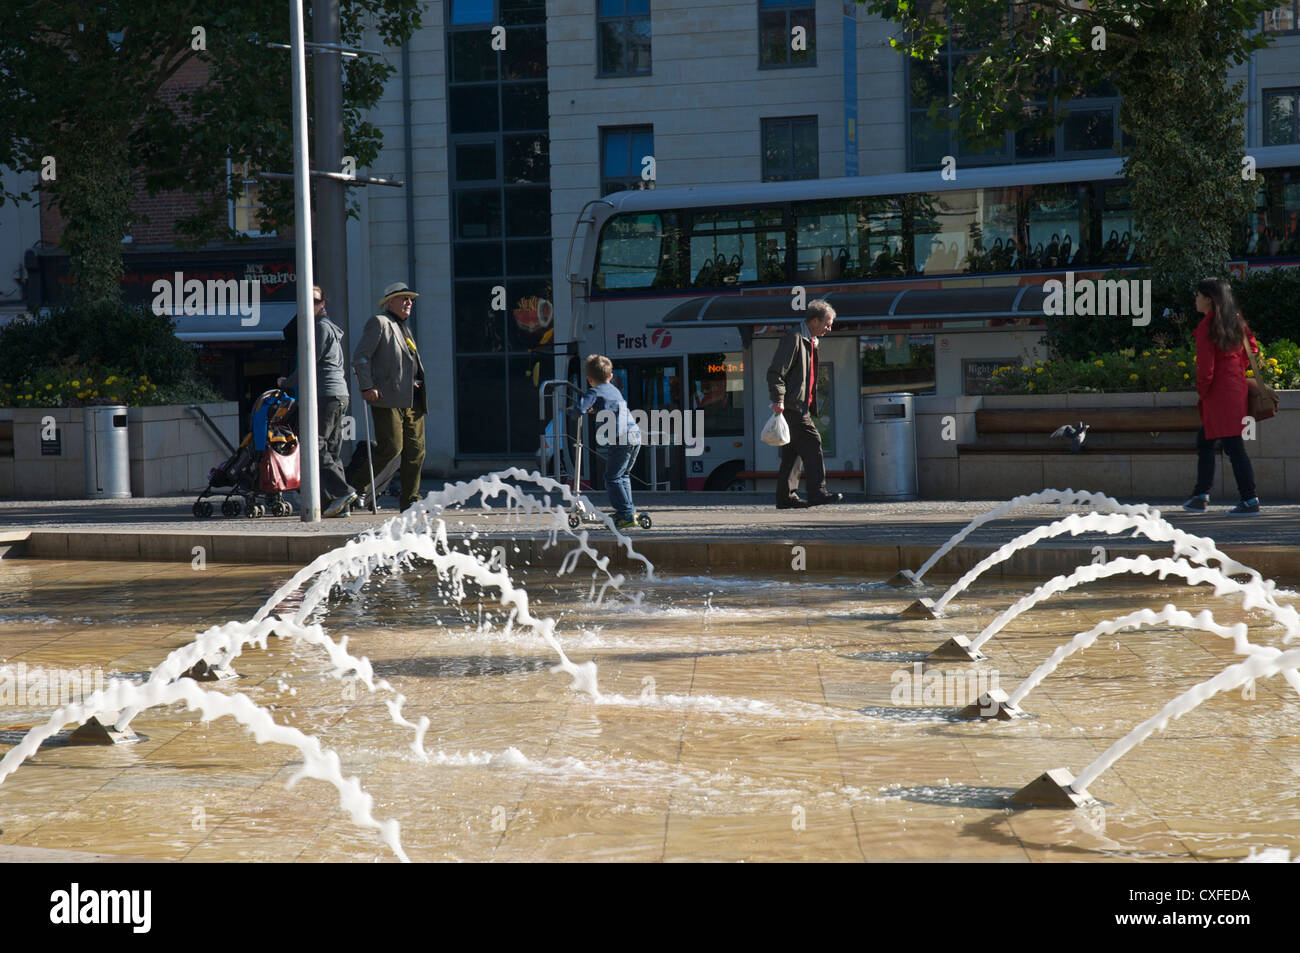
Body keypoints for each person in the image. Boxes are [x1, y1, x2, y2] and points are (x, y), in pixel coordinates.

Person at [1183, 277, 1260, 515]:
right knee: (1205, 441)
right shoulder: (1236, 321)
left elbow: (1205, 367)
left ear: (1209, 299)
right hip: (1235, 390)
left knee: (1233, 446)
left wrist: (1203, 391)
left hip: (1218, 394)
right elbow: (1253, 349)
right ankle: (1200, 495)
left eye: (1198, 295)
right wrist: (1236, 369)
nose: (1196, 300)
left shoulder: (1208, 326)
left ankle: (1249, 499)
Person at [279, 285, 356, 517]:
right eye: (305, 300)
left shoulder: (320, 328)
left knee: (315, 444)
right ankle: (341, 505)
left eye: (314, 300)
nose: (309, 304)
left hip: (326, 394)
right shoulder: (328, 328)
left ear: (323, 303)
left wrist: (287, 382)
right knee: (331, 449)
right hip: (338, 394)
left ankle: (342, 492)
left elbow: (308, 361)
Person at [352, 281, 426, 511]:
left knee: (416, 451)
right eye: (404, 298)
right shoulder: (379, 322)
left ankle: (410, 499)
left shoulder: (405, 327)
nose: (409, 302)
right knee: (392, 448)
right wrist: (367, 386)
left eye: (411, 299)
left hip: (412, 398)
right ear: (389, 302)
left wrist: (412, 381)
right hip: (388, 398)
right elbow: (361, 357)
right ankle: (353, 488)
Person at [766, 299, 843, 509]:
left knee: (793, 452)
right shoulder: (794, 338)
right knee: (813, 442)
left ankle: (785, 497)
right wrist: (778, 399)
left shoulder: (809, 340)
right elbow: (776, 372)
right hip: (793, 406)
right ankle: (817, 493)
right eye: (827, 323)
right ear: (815, 321)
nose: (830, 328)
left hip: (800, 405)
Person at [578, 354, 641, 530]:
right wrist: (595, 408)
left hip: (621, 438)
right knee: (623, 475)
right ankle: (629, 511)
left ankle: (626, 513)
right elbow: (608, 405)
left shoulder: (594, 391)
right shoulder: (614, 389)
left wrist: (573, 411)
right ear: (611, 376)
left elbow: (580, 407)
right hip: (635, 434)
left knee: (612, 477)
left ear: (589, 379)